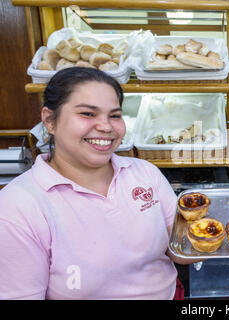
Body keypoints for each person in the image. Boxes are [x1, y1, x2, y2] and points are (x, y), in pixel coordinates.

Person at [0, 67, 193, 299]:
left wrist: (228, 232)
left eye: (114, 115)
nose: (106, 126)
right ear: (50, 121)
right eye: (88, 114)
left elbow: (182, 251)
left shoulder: (144, 173)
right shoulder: (17, 207)